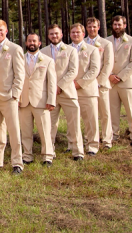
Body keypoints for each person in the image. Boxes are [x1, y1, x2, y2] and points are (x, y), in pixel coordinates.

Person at [41, 24, 84, 160]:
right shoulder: (42, 52)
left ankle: (77, 152)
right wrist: (51, 89)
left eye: (56, 33)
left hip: (67, 92)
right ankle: (49, 153)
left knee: (74, 123)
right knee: (50, 125)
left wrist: (59, 86)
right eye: (51, 34)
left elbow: (73, 71)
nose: (54, 36)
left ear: (61, 35)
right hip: (50, 95)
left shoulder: (71, 51)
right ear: (48, 36)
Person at [0, 20, 25, 174]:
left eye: (1, 30)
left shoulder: (14, 49)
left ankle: (17, 162)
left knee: (14, 130)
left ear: (6, 31)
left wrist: (15, 94)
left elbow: (20, 74)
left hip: (9, 96)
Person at [19, 33, 56, 166]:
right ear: (26, 43)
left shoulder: (47, 60)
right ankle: (27, 155)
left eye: (34, 41)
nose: (32, 43)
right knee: (26, 130)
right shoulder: (19, 59)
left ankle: (47, 156)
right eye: (29, 41)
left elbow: (51, 82)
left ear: (39, 43)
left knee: (45, 130)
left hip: (41, 100)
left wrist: (51, 100)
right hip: (24, 101)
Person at [106, 15, 132, 147]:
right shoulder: (106, 41)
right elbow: (102, 61)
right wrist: (110, 75)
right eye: (115, 24)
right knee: (112, 110)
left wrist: (120, 76)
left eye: (119, 25)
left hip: (126, 81)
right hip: (110, 82)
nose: (117, 27)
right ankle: (114, 135)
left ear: (124, 25)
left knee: (131, 110)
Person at [70, 23, 101, 156]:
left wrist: (80, 83)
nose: (75, 35)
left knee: (90, 119)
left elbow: (94, 70)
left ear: (83, 34)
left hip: (87, 90)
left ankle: (92, 145)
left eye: (78, 32)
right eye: (73, 32)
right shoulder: (66, 49)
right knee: (72, 119)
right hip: (69, 90)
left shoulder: (92, 50)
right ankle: (72, 144)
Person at [85, 17, 115, 149]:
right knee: (89, 114)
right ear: (86, 28)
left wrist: (99, 81)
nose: (92, 29)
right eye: (89, 26)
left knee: (105, 113)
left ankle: (107, 140)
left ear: (99, 27)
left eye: (94, 26)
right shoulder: (82, 43)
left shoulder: (106, 43)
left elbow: (108, 64)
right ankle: (90, 138)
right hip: (86, 85)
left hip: (101, 84)